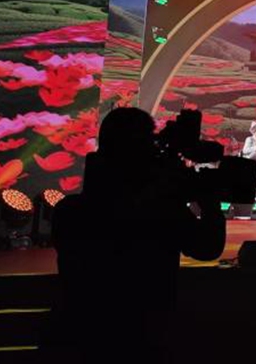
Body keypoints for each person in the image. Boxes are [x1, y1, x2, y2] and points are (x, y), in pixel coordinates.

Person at [50, 108, 226, 360]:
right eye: (148, 143)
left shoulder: (69, 212)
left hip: (79, 340)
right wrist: (207, 199)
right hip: (144, 340)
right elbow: (207, 247)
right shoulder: (159, 212)